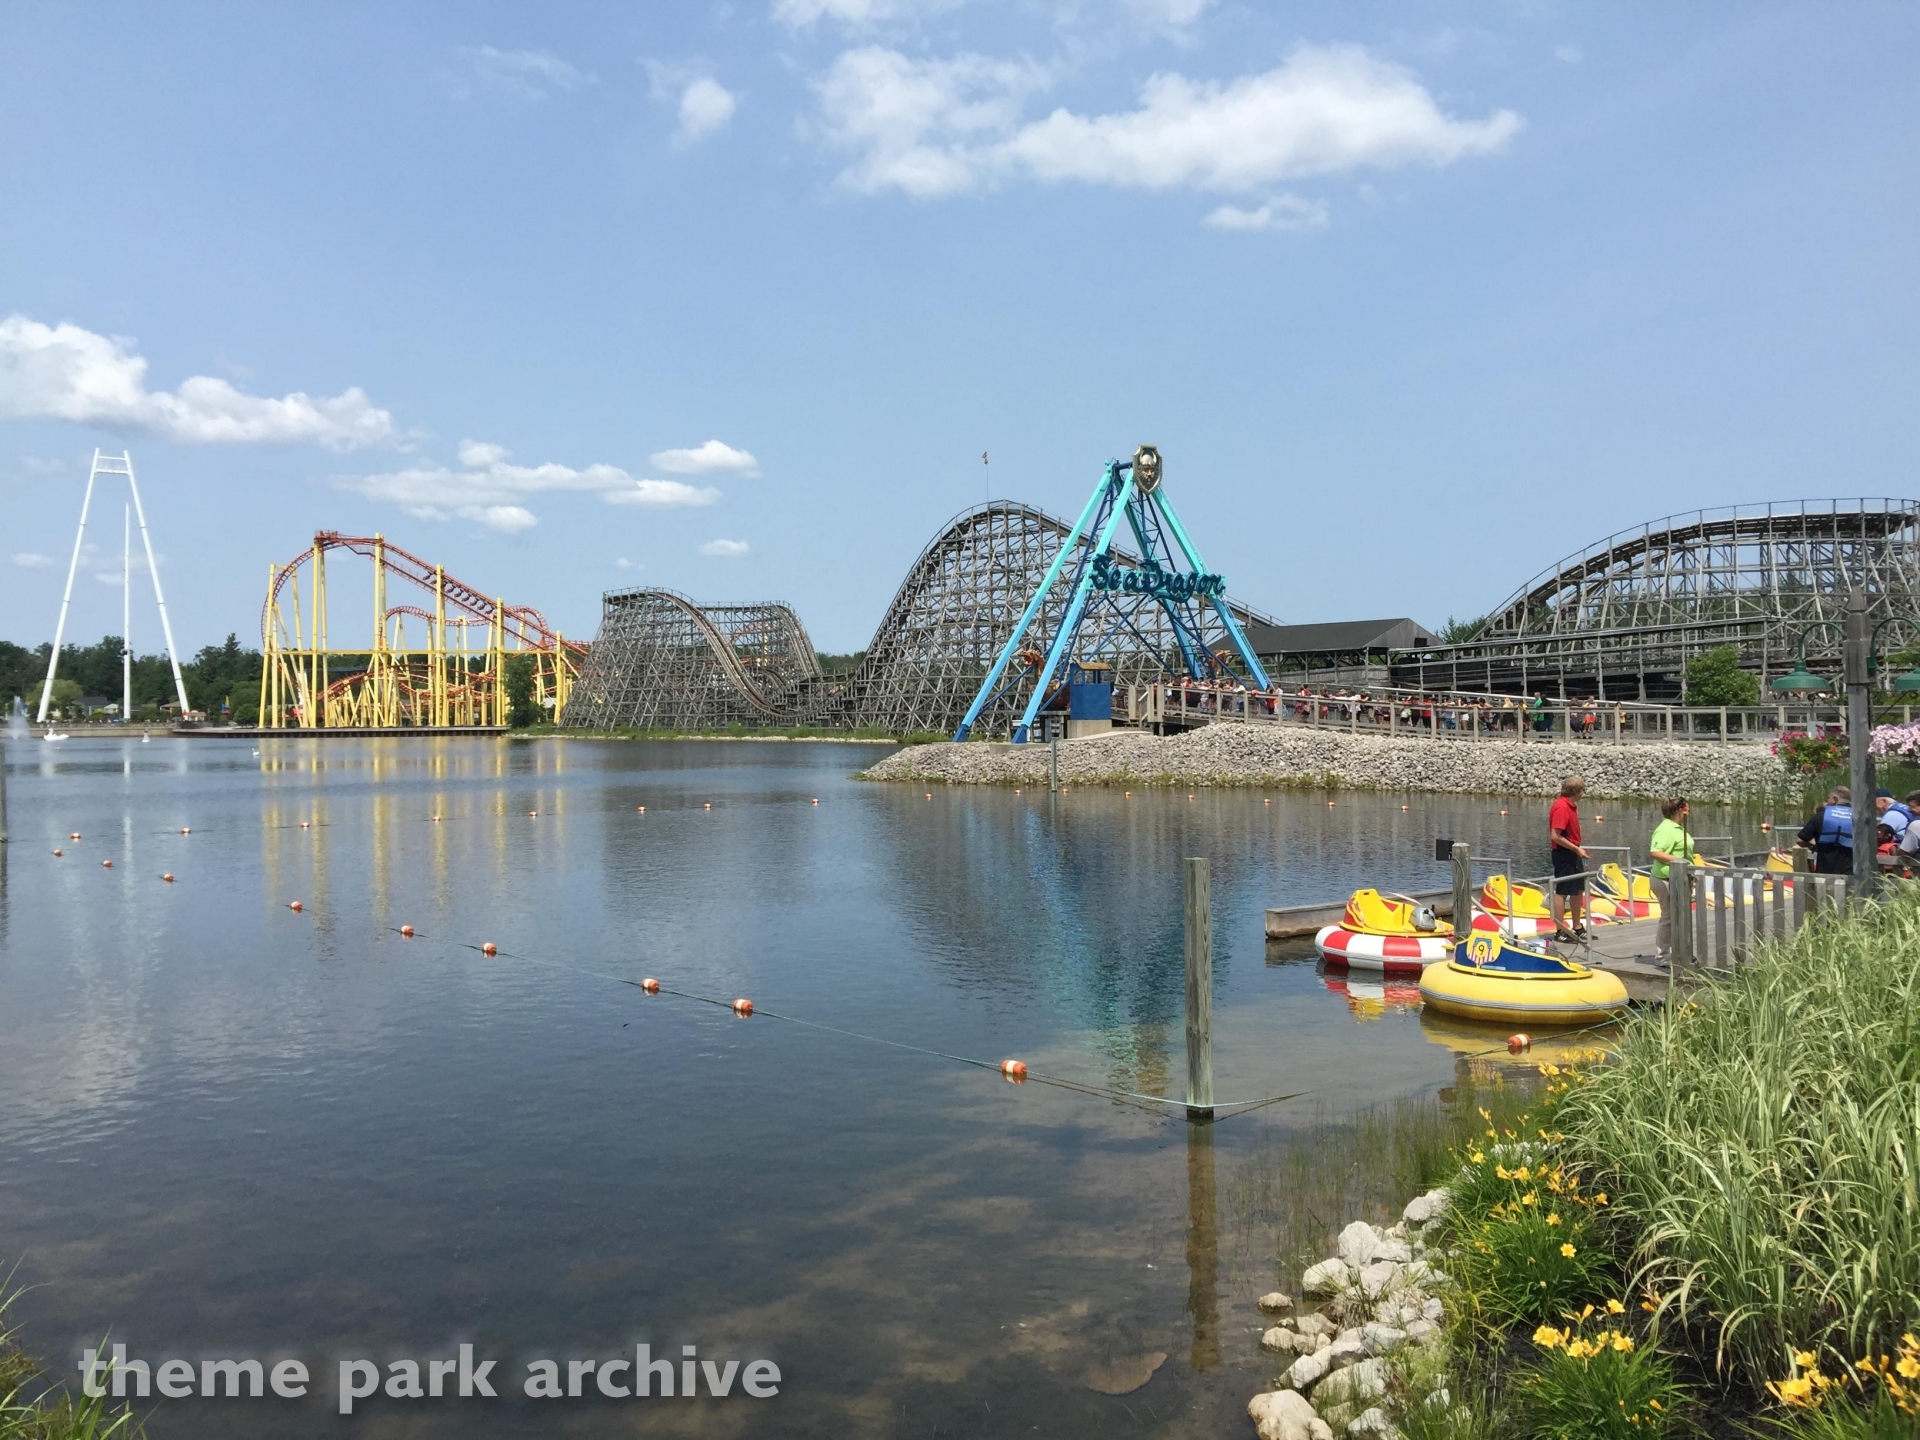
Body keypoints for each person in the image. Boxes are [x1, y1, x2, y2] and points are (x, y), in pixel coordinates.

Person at [1647, 797, 1696, 961]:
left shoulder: (1677, 828)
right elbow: (1655, 852)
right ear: (1681, 809)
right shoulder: (1666, 828)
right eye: (1687, 808)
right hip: (1665, 879)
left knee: (1681, 916)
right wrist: (1680, 862)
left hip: (1679, 878)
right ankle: (1662, 956)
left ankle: (1682, 953)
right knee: (1668, 917)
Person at [1548, 775, 1590, 941]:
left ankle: (1577, 926)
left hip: (1573, 851)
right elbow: (1555, 835)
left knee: (1578, 889)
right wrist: (1575, 849)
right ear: (1575, 791)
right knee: (1563, 890)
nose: (1583, 793)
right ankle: (1559, 930)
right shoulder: (1562, 807)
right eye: (1582, 790)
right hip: (1563, 853)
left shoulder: (1570, 806)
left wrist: (1577, 849)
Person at [1795, 786, 1854, 875]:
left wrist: (1812, 845)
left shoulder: (1820, 816)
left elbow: (1800, 840)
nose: (1827, 801)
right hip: (1851, 876)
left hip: (1825, 875)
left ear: (1834, 799)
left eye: (1828, 798)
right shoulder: (1857, 818)